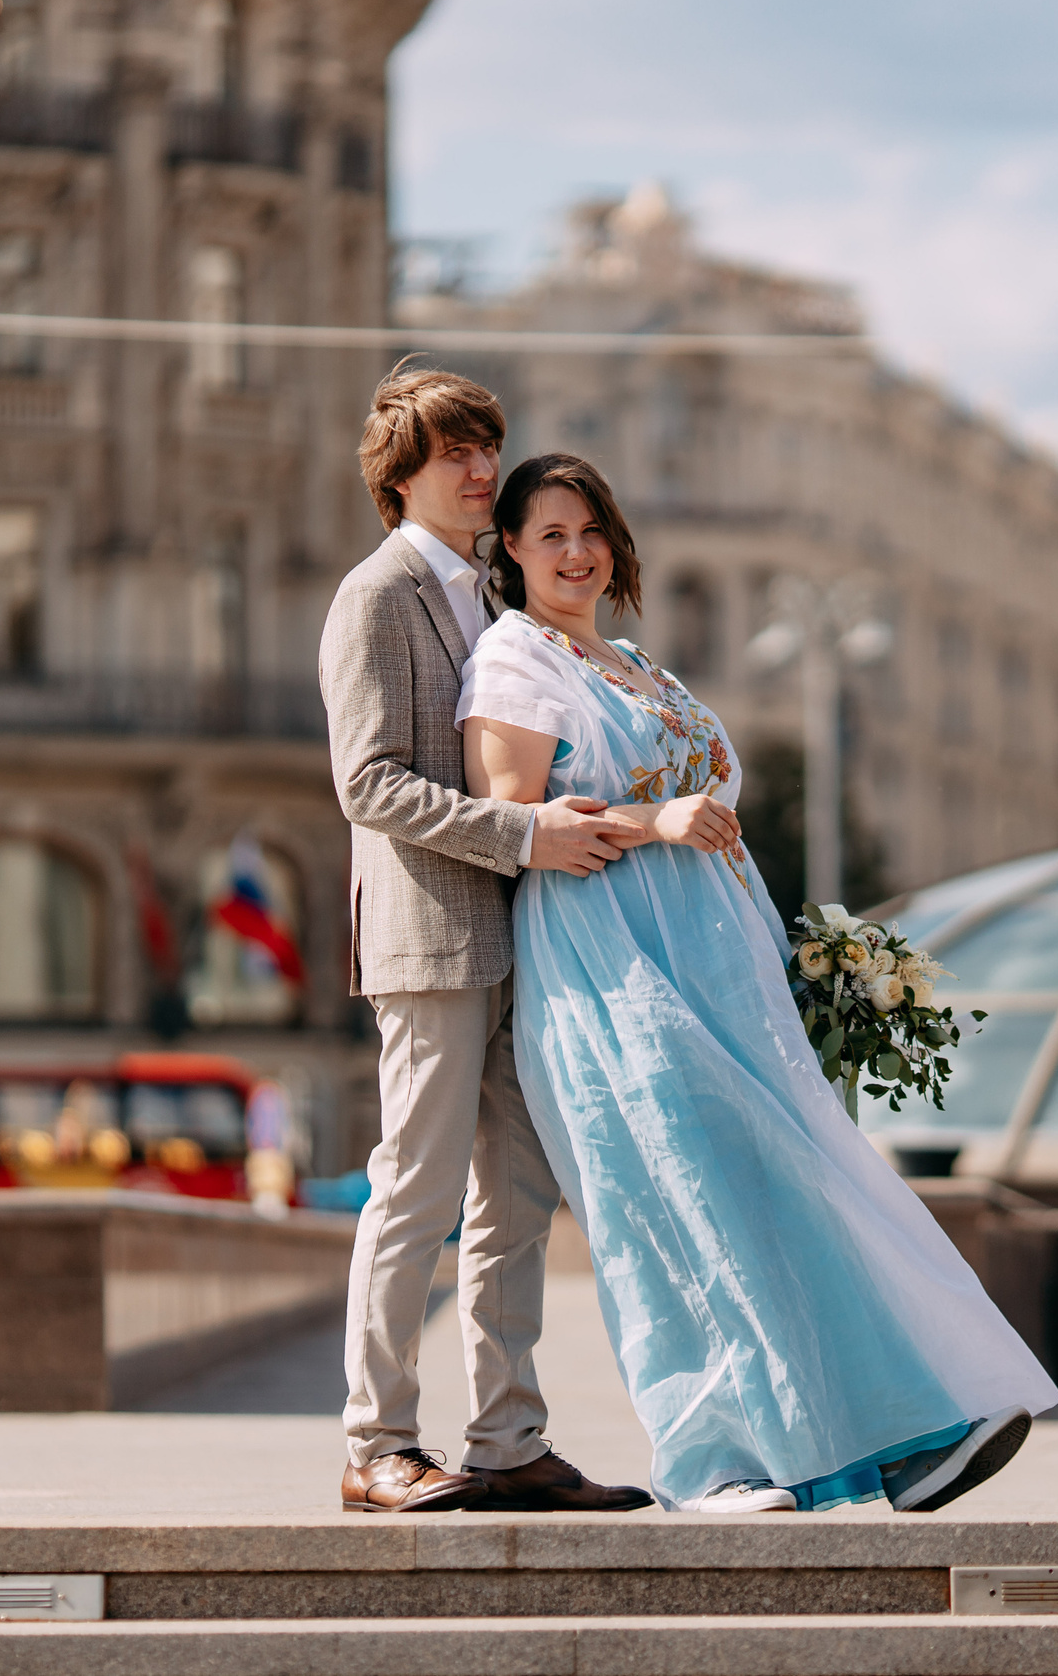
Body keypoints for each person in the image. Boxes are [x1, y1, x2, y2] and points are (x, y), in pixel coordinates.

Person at [458, 453, 1058, 1513]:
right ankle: (713, 1462)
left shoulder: (637, 661)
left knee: (787, 1194)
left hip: (717, 969)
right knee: (678, 1200)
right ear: (509, 548)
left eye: (590, 528)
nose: (575, 551)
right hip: (612, 964)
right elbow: (517, 821)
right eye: (548, 533)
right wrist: (657, 822)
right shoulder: (514, 660)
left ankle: (901, 1437)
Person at [319, 364, 654, 1514]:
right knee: (415, 1190)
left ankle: (508, 1439)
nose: (478, 470)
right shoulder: (377, 595)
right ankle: (376, 1445)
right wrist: (522, 836)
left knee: (516, 1201)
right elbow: (366, 784)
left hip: (527, 934)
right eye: (455, 453)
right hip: (431, 938)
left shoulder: (493, 601)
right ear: (397, 475)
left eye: (485, 448)